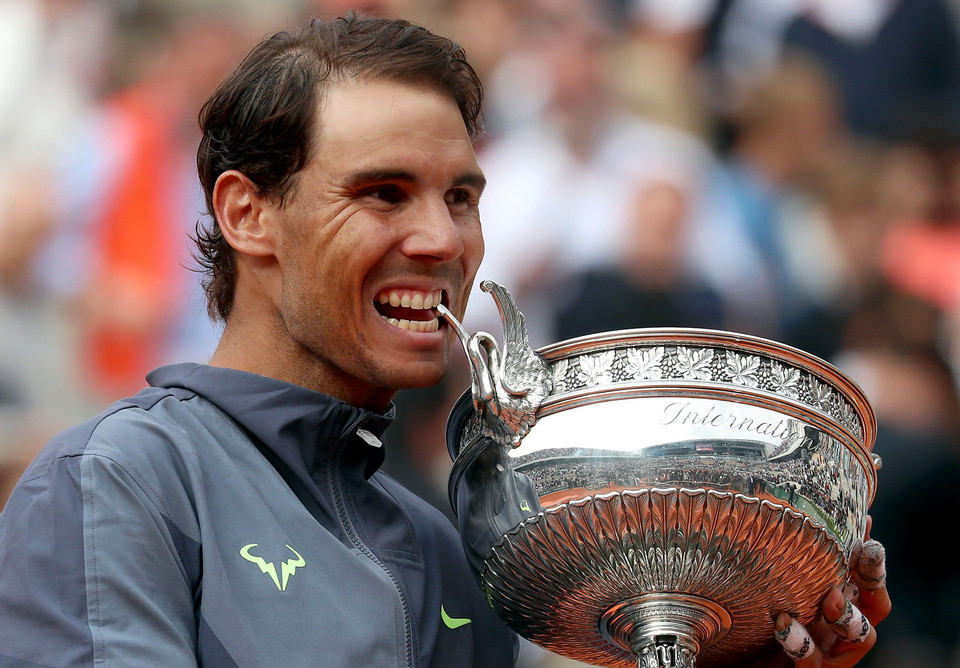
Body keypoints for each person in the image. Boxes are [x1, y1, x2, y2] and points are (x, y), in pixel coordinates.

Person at [0, 14, 888, 668]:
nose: (444, 240)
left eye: (461, 197)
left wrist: (711, 642)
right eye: (384, 193)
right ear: (248, 213)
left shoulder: (448, 545)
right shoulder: (117, 482)